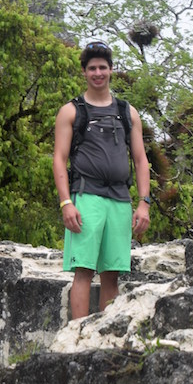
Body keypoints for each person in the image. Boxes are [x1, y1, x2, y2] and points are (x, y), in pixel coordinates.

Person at [53, 41, 151, 320]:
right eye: (92, 68)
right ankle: (77, 335)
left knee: (112, 273)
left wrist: (144, 203)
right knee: (83, 270)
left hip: (120, 199)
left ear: (111, 70)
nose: (98, 73)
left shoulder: (127, 112)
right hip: (86, 196)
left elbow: (140, 159)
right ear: (84, 72)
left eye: (103, 68)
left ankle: (105, 334)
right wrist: (66, 203)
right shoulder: (71, 111)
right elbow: (59, 158)